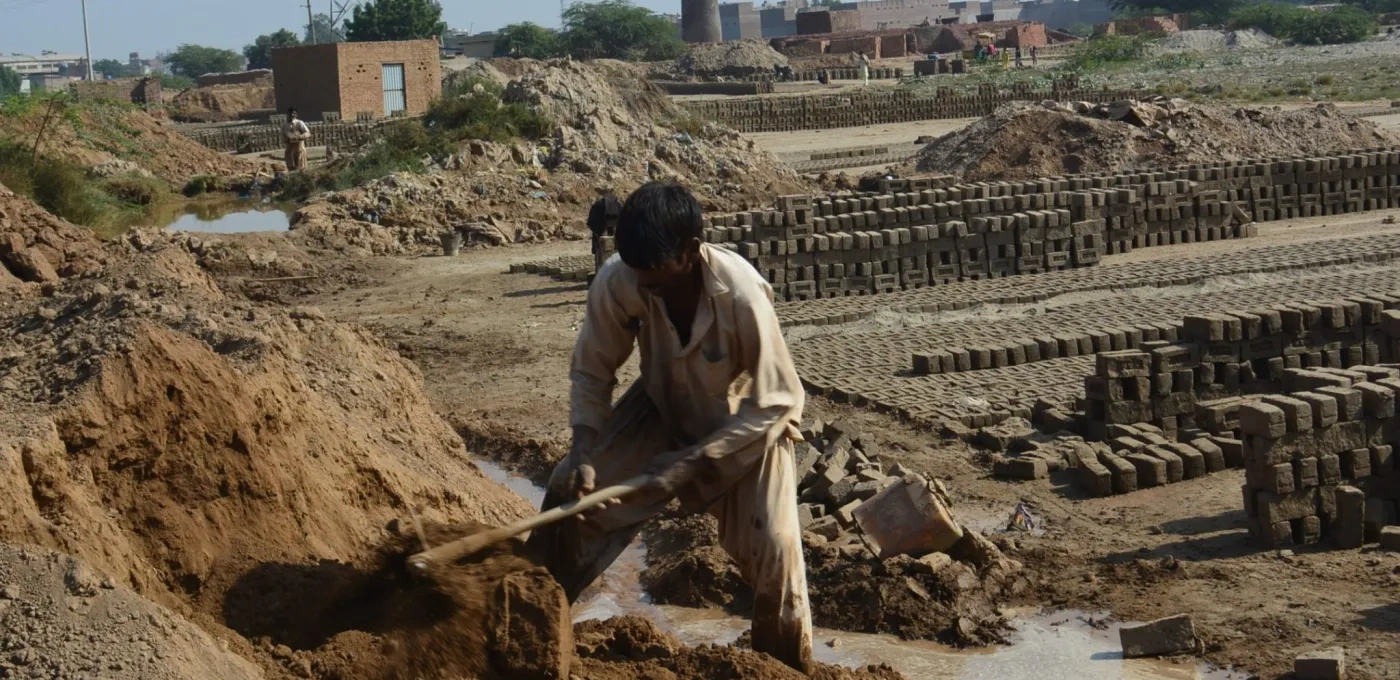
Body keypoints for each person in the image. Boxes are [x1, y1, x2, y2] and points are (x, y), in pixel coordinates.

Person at [526, 181, 813, 673]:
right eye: (636, 273)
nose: (642, 286)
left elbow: (780, 401)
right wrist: (583, 450)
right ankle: (529, 627)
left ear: (690, 252)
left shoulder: (741, 295)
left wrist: (691, 462)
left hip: (742, 426)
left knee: (777, 550)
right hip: (659, 404)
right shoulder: (624, 279)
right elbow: (593, 370)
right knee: (565, 497)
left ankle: (782, 665)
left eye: (654, 275)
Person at [587, 194, 623, 274]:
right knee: (602, 255)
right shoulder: (600, 209)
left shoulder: (618, 208)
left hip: (612, 234)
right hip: (601, 231)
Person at [282, 107, 311, 172]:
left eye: (293, 113)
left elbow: (308, 133)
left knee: (301, 169)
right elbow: (283, 137)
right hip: (290, 152)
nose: (292, 115)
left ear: (296, 115)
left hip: (299, 150)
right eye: (290, 113)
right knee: (291, 170)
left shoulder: (299, 123)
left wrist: (299, 137)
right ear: (287, 114)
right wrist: (288, 139)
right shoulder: (284, 125)